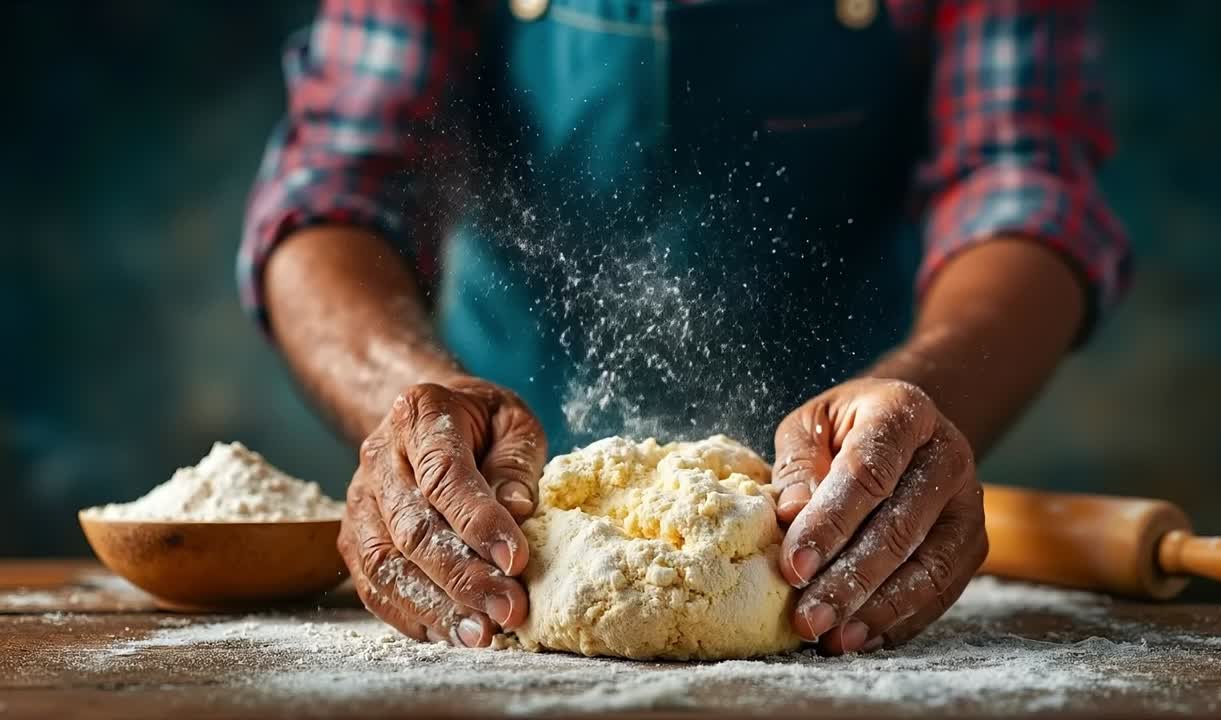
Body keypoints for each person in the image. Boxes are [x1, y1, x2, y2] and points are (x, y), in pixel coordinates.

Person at [239, 0, 1129, 655]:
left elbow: (1021, 182)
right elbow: (337, 180)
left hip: (851, 497)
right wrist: (411, 404)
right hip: (503, 490)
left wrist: (929, 400)